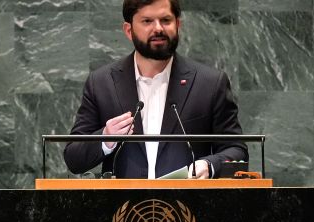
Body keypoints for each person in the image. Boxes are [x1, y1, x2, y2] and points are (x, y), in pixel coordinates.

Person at [64, 0, 248, 179]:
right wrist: (105, 138)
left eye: (165, 20)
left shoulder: (209, 83)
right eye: (147, 21)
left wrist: (209, 165)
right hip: (124, 208)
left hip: (189, 205)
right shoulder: (102, 83)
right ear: (129, 30)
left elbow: (237, 150)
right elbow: (74, 158)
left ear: (177, 25)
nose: (158, 28)